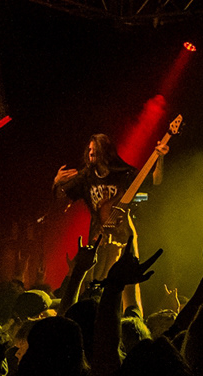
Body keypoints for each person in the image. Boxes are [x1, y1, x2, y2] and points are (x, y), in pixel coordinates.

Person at [52, 130, 167, 309]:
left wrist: (160, 158)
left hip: (124, 236)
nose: (91, 153)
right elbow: (61, 198)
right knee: (94, 287)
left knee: (128, 287)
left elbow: (155, 181)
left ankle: (130, 318)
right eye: (90, 149)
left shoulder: (123, 173)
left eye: (95, 149)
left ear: (106, 151)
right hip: (98, 238)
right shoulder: (86, 177)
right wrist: (57, 182)